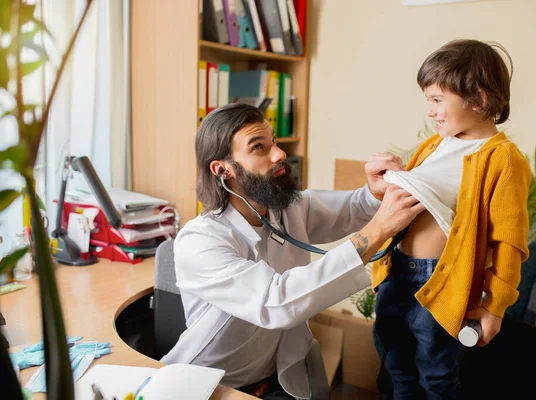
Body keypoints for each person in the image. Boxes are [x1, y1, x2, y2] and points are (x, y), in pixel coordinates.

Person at [161, 103, 426, 399]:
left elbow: (354, 209)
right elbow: (277, 301)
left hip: (271, 377)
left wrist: (375, 192)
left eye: (273, 140)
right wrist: (377, 231)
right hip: (209, 384)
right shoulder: (200, 241)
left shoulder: (286, 209)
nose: (279, 154)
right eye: (258, 147)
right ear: (223, 170)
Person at [371, 39, 531, 399]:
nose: (430, 112)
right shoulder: (433, 145)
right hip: (398, 272)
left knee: (436, 376)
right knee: (396, 368)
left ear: (480, 98)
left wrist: (495, 308)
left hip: (439, 285)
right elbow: (408, 205)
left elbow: (509, 242)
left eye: (437, 100)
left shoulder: (503, 159)